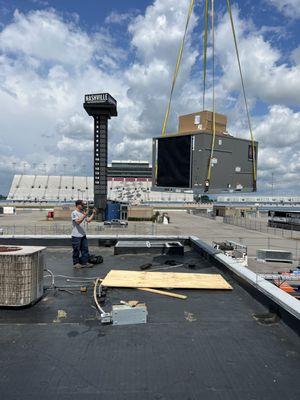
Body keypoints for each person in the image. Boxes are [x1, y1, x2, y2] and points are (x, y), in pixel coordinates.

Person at [71, 200, 96, 268]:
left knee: (85, 249)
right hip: (76, 235)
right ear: (78, 205)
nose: (83, 206)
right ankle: (76, 263)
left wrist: (93, 214)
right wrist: (84, 215)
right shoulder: (74, 213)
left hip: (83, 235)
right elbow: (78, 222)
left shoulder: (82, 213)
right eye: (82, 205)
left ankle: (85, 262)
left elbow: (88, 220)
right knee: (76, 250)